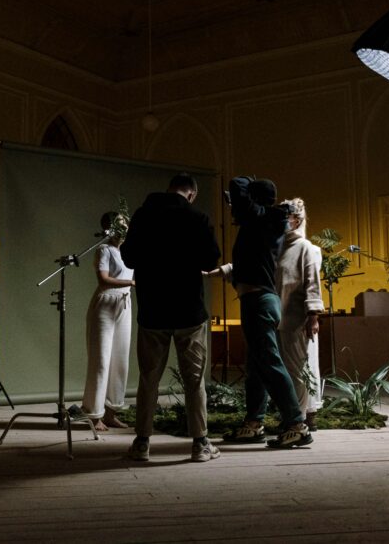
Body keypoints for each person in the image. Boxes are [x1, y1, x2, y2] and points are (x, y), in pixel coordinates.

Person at [120, 173, 222, 462]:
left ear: (169, 189)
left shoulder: (143, 215)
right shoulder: (197, 217)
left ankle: (142, 443)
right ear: (191, 194)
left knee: (148, 378)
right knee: (194, 380)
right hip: (189, 311)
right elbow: (210, 260)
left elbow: (128, 257)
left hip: (153, 310)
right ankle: (200, 444)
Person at [209, 177, 311, 449]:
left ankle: (296, 425)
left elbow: (238, 184)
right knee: (256, 367)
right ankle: (254, 424)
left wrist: (246, 189)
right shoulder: (263, 221)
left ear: (252, 200)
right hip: (257, 300)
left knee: (270, 364)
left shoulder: (263, 218)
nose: (233, 208)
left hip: (259, 302)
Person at [80, 211, 134, 431]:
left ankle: (111, 412)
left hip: (124, 304)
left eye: (125, 223)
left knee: (120, 360)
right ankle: (94, 414)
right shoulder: (104, 249)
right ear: (109, 228)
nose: (124, 227)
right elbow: (103, 280)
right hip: (105, 304)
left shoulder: (129, 252)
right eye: (119, 224)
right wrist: (131, 283)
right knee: (101, 361)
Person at [275, 198, 325, 431]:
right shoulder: (277, 247)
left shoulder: (306, 248)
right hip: (277, 316)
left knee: (298, 369)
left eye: (286, 217)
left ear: (296, 220)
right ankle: (292, 414)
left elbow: (312, 284)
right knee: (285, 369)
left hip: (296, 318)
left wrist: (313, 315)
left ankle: (300, 418)